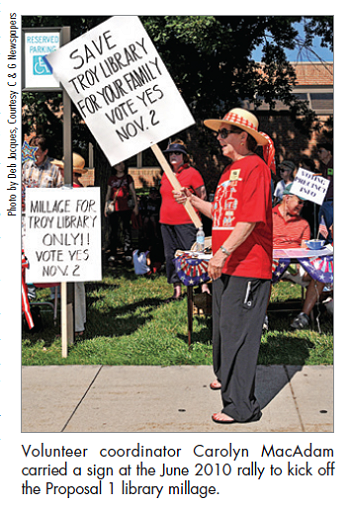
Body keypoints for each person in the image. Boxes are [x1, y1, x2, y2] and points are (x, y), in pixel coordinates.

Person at [174, 108, 273, 424]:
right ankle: (227, 379)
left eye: (224, 132)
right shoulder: (231, 171)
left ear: (243, 137)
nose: (218, 138)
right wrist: (189, 199)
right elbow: (221, 214)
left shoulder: (255, 167)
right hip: (227, 265)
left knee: (239, 336)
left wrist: (222, 253)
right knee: (223, 332)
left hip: (247, 265)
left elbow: (250, 218)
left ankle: (241, 407)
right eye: (218, 133)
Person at [272, 183, 327, 330]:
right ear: (287, 198)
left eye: (303, 203)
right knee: (263, 278)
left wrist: (306, 267)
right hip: (272, 263)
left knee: (320, 276)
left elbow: (304, 250)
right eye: (299, 201)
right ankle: (262, 317)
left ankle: (304, 316)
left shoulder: (303, 224)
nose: (301, 206)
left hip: (295, 265)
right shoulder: (269, 217)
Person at [160, 139, 208, 300]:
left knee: (194, 253)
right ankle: (177, 291)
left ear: (184, 156)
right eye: (171, 153)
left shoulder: (192, 173)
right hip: (166, 221)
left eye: (177, 153)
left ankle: (203, 286)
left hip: (188, 221)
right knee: (170, 255)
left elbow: (202, 196)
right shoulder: (165, 174)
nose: (173, 156)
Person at [53, 153, 88, 336]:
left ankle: (73, 327)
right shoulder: (78, 189)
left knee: (71, 288)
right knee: (77, 287)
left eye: (60, 169)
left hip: (70, 245)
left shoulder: (69, 191)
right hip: (78, 245)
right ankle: (79, 324)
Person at [104, 162, 139, 260]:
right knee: (113, 230)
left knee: (126, 230)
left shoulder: (128, 178)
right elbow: (108, 193)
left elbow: (133, 191)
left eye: (122, 164)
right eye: (118, 165)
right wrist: (106, 206)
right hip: (114, 208)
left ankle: (128, 251)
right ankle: (113, 252)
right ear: (114, 167)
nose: (121, 166)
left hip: (126, 208)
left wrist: (136, 206)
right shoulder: (112, 179)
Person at [317, 142, 333, 242]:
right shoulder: (325, 167)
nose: (318, 154)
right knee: (323, 230)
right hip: (324, 201)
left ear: (329, 152)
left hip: (331, 202)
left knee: (332, 230)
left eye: (321, 151)